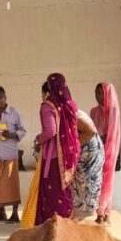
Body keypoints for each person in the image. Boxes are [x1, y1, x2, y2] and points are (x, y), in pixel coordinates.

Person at [33, 74, 80, 226]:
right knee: (64, 191)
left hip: (53, 158)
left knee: (52, 194)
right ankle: (67, 225)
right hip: (68, 156)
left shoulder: (47, 106)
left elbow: (50, 131)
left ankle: (53, 227)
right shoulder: (70, 105)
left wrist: (38, 139)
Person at [0, 86, 26, 223]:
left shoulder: (14, 112)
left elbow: (23, 130)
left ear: (5, 97)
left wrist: (11, 134)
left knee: (11, 185)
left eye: (1, 97)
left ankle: (15, 214)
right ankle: (1, 212)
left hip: (9, 155)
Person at [90, 82, 121, 226]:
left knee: (107, 181)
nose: (97, 96)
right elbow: (90, 130)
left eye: (100, 93)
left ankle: (105, 213)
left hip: (109, 150)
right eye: (96, 93)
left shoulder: (113, 110)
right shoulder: (93, 111)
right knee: (98, 181)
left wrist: (99, 139)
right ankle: (100, 213)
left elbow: (112, 133)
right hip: (96, 151)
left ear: (107, 94)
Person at [73, 106, 104, 220]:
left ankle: (80, 218)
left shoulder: (74, 114)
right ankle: (78, 218)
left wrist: (74, 147)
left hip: (90, 157)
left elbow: (91, 131)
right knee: (79, 189)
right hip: (83, 155)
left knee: (86, 186)